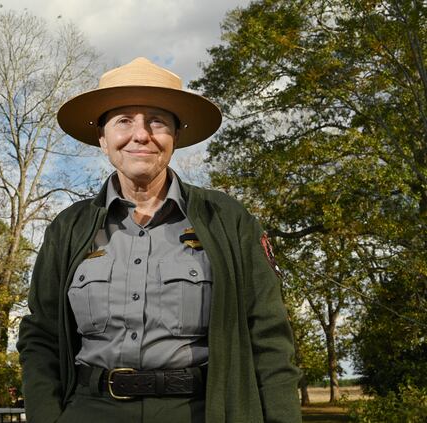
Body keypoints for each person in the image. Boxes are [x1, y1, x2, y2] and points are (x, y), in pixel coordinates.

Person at [17, 57, 302, 423]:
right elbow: (41, 336)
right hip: (89, 410)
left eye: (156, 121)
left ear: (174, 137)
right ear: (103, 139)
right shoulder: (68, 229)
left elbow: (269, 337)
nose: (141, 134)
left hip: (199, 411)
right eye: (123, 121)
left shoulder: (229, 221)